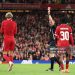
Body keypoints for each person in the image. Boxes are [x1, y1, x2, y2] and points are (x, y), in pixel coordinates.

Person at [46, 7, 60, 71]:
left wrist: (49, 13)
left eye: (51, 22)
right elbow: (51, 37)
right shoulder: (51, 28)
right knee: (51, 56)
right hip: (52, 42)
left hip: (54, 42)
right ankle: (59, 65)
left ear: (54, 22)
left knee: (52, 55)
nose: (50, 22)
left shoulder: (54, 27)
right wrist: (48, 43)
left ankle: (54, 67)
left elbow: (51, 20)